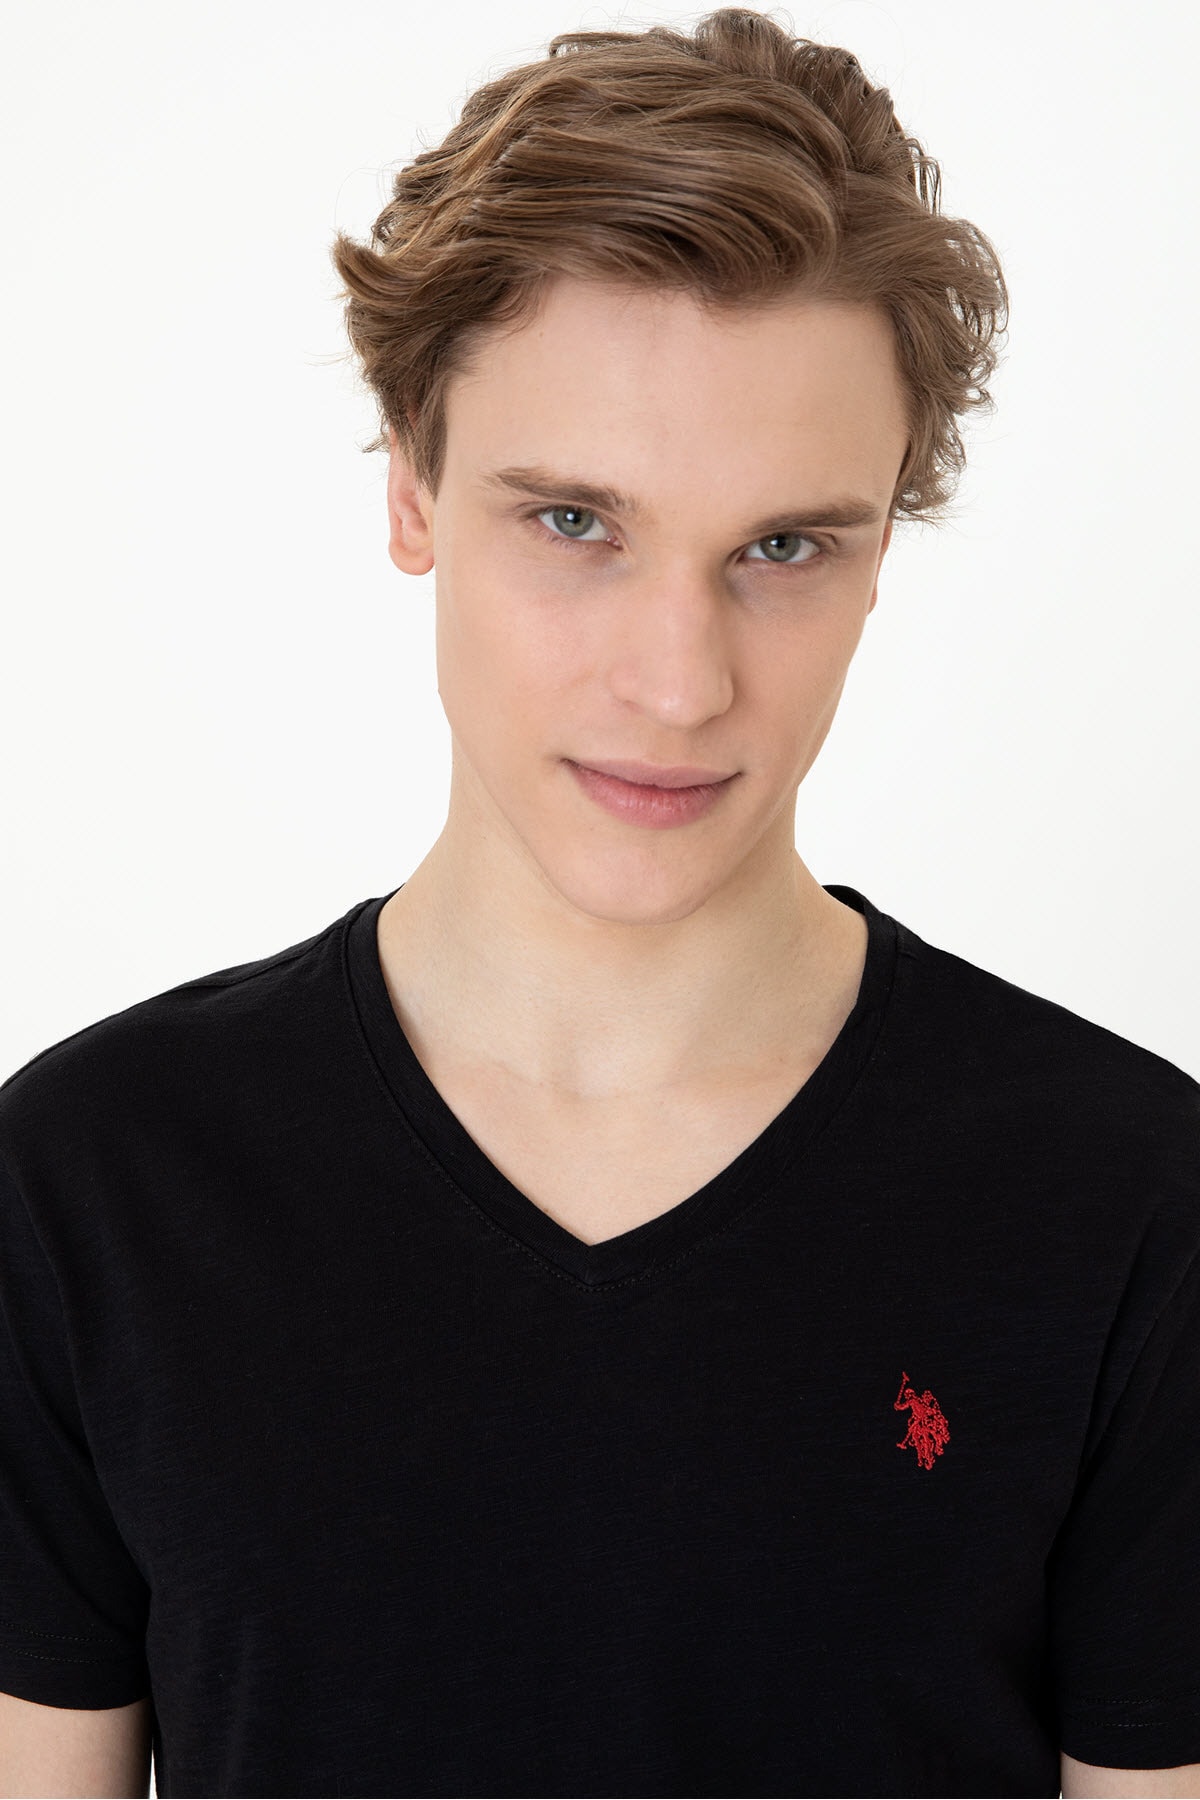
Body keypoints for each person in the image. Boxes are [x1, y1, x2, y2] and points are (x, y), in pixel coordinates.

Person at [0, 9, 1197, 1797]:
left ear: (885, 546)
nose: (678, 681)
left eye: (783, 546)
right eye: (573, 523)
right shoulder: (94, 1184)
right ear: (411, 491)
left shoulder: (1129, 1202)